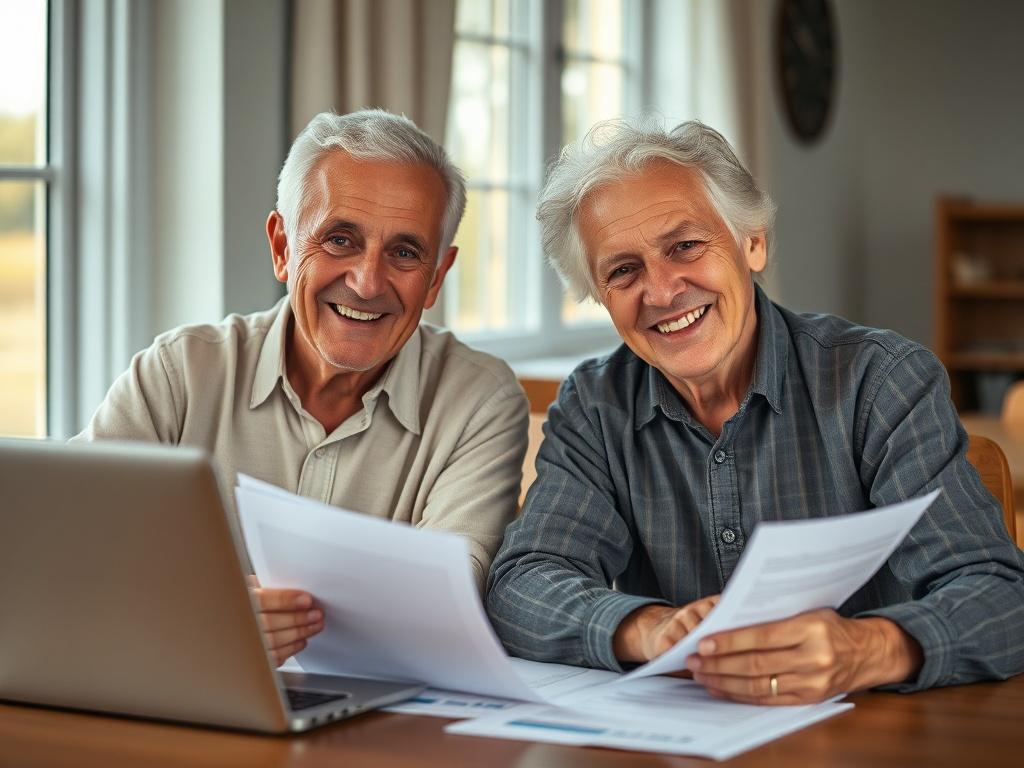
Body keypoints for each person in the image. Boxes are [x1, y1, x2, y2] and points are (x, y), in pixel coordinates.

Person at [486, 118, 1024, 704]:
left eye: (685, 246)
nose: (662, 291)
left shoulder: (881, 382)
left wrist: (866, 649)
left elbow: (999, 595)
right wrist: (649, 629)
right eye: (624, 271)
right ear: (599, 295)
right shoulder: (595, 406)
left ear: (754, 243)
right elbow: (522, 586)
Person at [76, 109, 528, 665]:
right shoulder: (179, 373)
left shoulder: (480, 401)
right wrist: (196, 615)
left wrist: (182, 602)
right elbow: (70, 550)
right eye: (339, 239)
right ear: (282, 247)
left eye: (406, 253)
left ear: (436, 276)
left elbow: (445, 604)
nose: (367, 282)